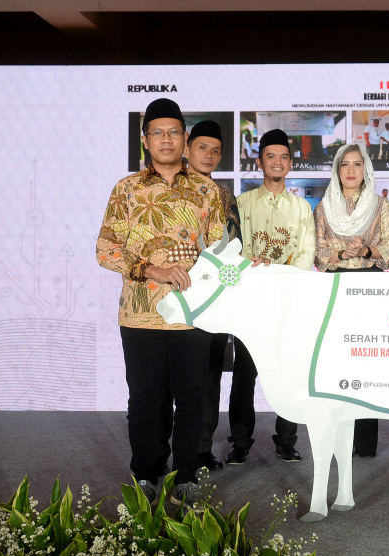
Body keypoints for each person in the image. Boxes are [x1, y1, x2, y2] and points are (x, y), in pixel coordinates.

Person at [97, 98, 225, 507]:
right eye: (158, 132)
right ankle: (146, 472)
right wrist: (151, 270)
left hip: (192, 314)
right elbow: (105, 249)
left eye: (174, 132)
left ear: (185, 139)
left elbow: (220, 249)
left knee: (191, 398)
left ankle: (186, 475)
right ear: (145, 140)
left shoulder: (207, 190)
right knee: (145, 400)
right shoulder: (127, 189)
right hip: (140, 314)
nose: (166, 139)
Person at [230, 129, 317, 465]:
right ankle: (240, 442)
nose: (277, 162)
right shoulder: (242, 203)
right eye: (271, 156)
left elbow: (306, 253)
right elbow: (233, 249)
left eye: (284, 156)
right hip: (249, 302)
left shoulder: (301, 208)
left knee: (290, 372)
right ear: (259, 161)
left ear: (291, 164)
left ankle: (287, 441)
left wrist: (281, 276)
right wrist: (251, 268)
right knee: (244, 375)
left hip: (287, 302)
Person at [313, 144, 389, 456]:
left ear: (366, 169)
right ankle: (336, 438)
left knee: (366, 364)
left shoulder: (380, 206)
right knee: (335, 365)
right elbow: (316, 250)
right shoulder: (323, 208)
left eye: (357, 164)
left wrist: (365, 251)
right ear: (337, 170)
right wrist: (337, 253)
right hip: (335, 288)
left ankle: (364, 443)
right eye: (345, 164)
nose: (350, 170)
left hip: (369, 288)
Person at [183, 120, 242, 471]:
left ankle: (201, 448)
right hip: (176, 299)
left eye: (216, 150)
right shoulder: (171, 190)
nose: (209, 155)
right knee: (168, 382)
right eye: (202, 147)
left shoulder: (224, 196)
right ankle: (160, 454)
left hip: (215, 303)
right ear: (188, 148)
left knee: (209, 377)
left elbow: (235, 246)